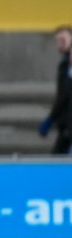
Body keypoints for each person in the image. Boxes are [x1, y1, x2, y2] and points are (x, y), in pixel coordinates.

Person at [40, 25, 72, 155]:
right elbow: (64, 94)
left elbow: (64, 95)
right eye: (57, 40)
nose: (59, 43)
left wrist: (51, 118)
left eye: (63, 39)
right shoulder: (65, 65)